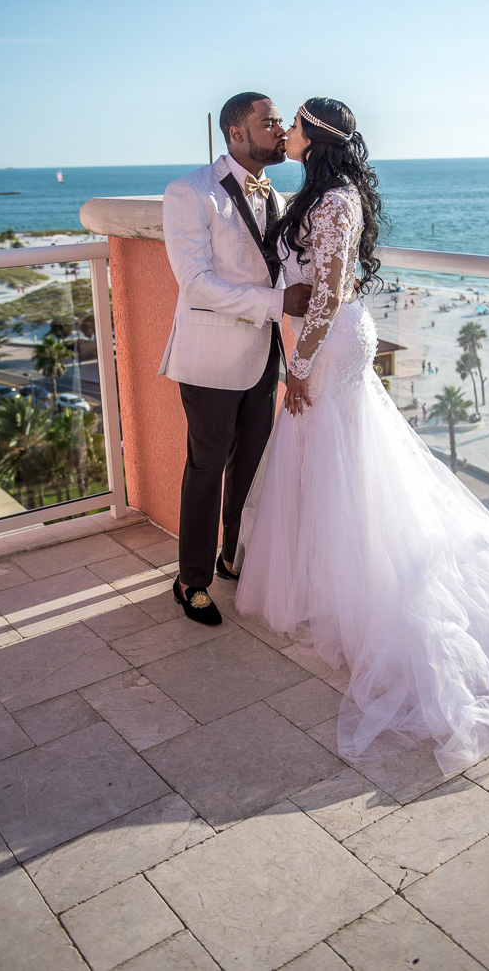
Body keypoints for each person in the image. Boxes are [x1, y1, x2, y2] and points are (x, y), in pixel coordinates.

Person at [233, 97, 489, 778]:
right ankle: (336, 593)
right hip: (329, 340)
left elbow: (324, 295)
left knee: (345, 469)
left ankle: (372, 603)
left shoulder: (334, 203)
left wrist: (296, 368)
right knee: (332, 469)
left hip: (329, 347)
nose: (285, 132)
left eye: (293, 124)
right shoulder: (324, 194)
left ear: (314, 139)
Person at [159, 92, 312, 626]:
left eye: (279, 122)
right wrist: (277, 304)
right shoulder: (190, 192)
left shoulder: (278, 192)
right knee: (206, 468)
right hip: (211, 356)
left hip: (262, 354)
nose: (279, 130)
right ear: (236, 133)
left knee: (248, 464)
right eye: (269, 122)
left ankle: (232, 556)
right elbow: (196, 285)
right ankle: (190, 580)